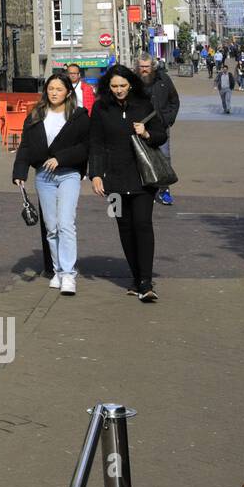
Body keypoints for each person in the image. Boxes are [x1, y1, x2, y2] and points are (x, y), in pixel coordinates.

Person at [89, 65, 167, 302]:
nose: (119, 90)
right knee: (124, 227)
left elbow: (161, 134)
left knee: (142, 224)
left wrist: (146, 133)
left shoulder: (144, 105)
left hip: (143, 178)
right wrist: (96, 174)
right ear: (108, 87)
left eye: (123, 85)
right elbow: (96, 143)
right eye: (114, 86)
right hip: (113, 179)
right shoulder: (101, 107)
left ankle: (145, 281)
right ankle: (135, 278)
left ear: (131, 84)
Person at [13, 72, 90, 295]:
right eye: (50, 89)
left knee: (66, 223)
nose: (54, 93)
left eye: (59, 89)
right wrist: (20, 172)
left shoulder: (78, 115)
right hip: (43, 176)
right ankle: (57, 270)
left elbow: (86, 146)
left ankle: (68, 274)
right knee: (51, 227)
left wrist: (61, 158)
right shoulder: (36, 114)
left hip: (69, 174)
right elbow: (26, 145)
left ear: (68, 92)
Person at [135, 53, 180, 207]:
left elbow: (174, 100)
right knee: (139, 157)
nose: (144, 70)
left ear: (152, 66)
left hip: (160, 126)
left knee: (164, 157)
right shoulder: (132, 81)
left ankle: (163, 190)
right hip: (139, 127)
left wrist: (168, 119)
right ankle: (143, 189)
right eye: (141, 67)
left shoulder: (163, 80)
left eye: (147, 66)